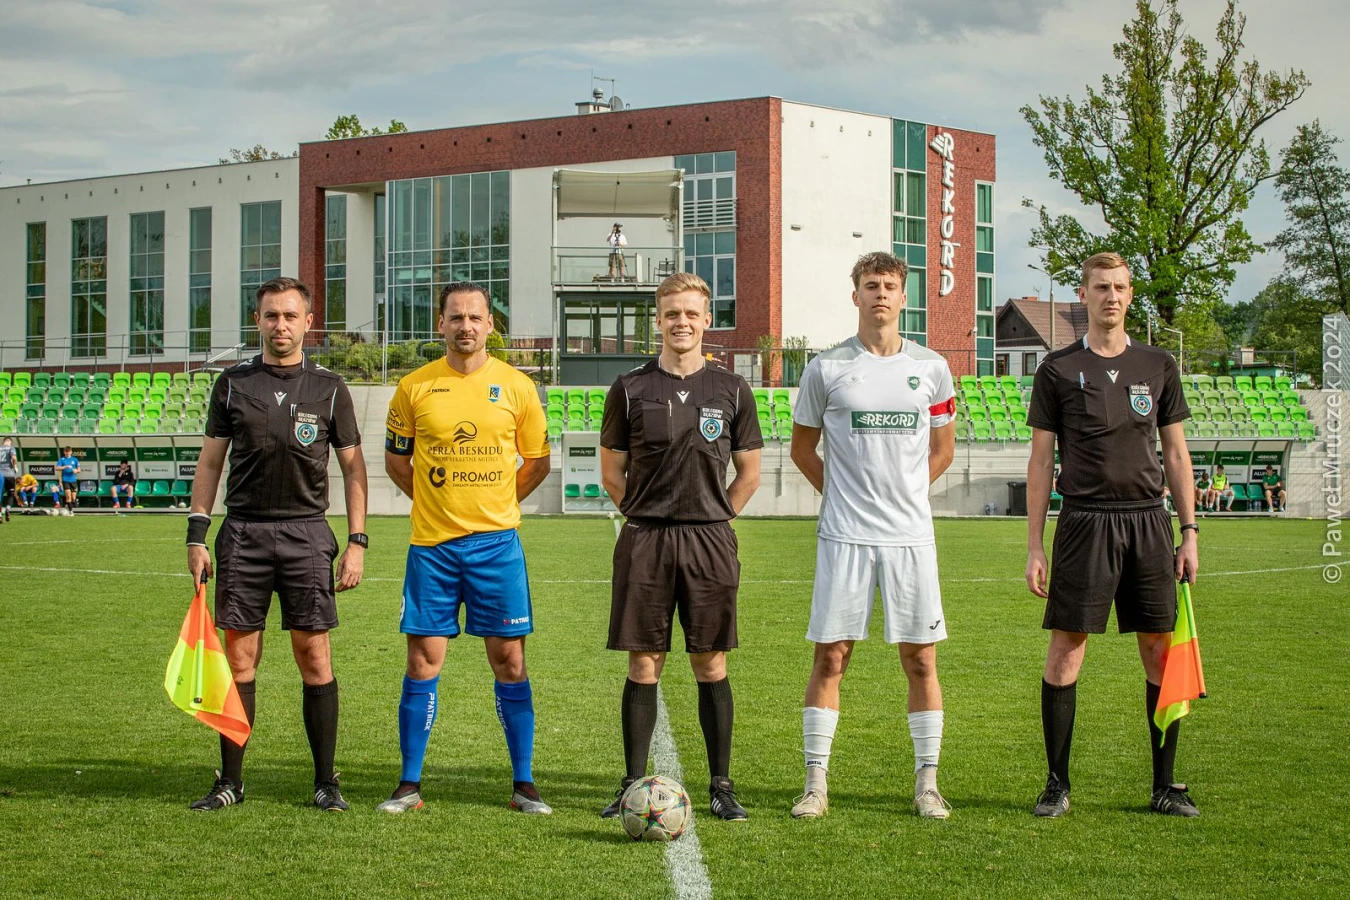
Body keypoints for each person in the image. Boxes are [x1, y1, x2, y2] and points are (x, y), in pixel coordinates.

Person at [1025, 252, 1200, 819]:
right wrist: (1035, 545)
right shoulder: (1057, 369)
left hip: (1149, 520)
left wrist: (1189, 531)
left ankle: (1165, 786)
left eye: (1121, 287)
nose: (1112, 296)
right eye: (1102, 287)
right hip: (1084, 521)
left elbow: (1176, 453)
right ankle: (1056, 785)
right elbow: (1041, 460)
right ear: (1084, 294)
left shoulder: (1158, 364)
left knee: (1158, 649)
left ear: (1130, 294)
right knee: (1067, 649)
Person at [185, 276, 368, 813]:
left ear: (308, 322)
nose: (280, 325)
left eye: (290, 316)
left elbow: (354, 469)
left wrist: (356, 541)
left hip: (306, 533)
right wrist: (197, 534)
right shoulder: (232, 383)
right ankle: (231, 781)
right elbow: (210, 463)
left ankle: (326, 782)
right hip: (243, 532)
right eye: (271, 315)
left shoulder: (330, 387)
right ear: (258, 321)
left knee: (314, 655)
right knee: (240, 658)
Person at [788, 252, 957, 821]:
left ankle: (927, 784)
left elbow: (943, 450)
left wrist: (905, 493)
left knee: (921, 661)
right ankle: (815, 784)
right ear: (855, 295)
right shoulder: (826, 368)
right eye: (869, 285)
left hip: (910, 537)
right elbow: (802, 449)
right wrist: (840, 495)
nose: (879, 293)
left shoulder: (932, 367)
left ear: (903, 297)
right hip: (845, 535)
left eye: (888, 285)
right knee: (831, 657)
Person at [378, 281, 552, 816]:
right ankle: (409, 784)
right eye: (456, 317)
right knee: (422, 660)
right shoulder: (413, 387)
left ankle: (524, 784)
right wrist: (436, 502)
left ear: (491, 325)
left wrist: (498, 502)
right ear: (441, 324)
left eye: (476, 317)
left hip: (497, 547)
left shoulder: (518, 387)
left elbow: (537, 462)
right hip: (432, 549)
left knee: (510, 660)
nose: (466, 326)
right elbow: (397, 462)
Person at [598, 271, 763, 823]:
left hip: (710, 540)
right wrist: (645, 515)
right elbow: (611, 473)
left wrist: (716, 515)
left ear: (707, 320)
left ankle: (722, 786)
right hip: (646, 539)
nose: (682, 322)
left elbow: (749, 473)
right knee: (643, 662)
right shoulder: (629, 387)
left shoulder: (732, 389)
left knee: (710, 661)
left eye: (692, 313)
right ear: (658, 320)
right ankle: (631, 784)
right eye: (672, 314)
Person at [57, 446, 80, 515]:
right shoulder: (62, 460)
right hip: (65, 480)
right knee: (68, 496)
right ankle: (71, 512)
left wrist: (76, 471)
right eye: (66, 452)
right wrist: (65, 467)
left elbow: (79, 470)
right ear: (64, 452)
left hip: (73, 480)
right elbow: (57, 468)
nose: (67, 453)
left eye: (69, 452)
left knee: (73, 498)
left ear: (71, 452)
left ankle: (73, 502)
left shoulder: (75, 459)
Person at [0, 436, 17, 522]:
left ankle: (0, 515)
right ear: (10, 442)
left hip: (0, 474)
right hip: (9, 474)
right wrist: (15, 466)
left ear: (3, 442)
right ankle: (8, 508)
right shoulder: (11, 448)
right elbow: (14, 458)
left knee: (0, 494)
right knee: (11, 493)